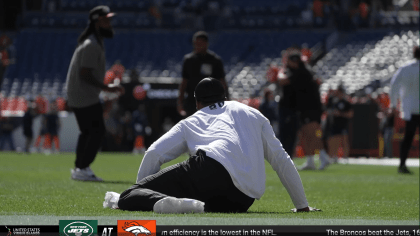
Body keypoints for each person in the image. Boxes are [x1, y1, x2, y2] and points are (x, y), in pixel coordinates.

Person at [103, 78, 320, 214]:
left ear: (197, 103)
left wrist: (144, 193)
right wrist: (302, 206)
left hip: (209, 169)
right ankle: (184, 205)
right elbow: (281, 159)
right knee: (205, 205)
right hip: (241, 200)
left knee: (127, 196)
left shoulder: (191, 120)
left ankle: (162, 203)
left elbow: (154, 153)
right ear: (224, 97)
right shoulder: (252, 113)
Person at [65, 5, 124, 181]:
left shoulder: (93, 41)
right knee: (97, 131)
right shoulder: (91, 44)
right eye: (106, 20)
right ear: (97, 22)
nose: (110, 23)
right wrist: (108, 88)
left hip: (80, 95)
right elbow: (85, 74)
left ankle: (80, 168)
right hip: (84, 96)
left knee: (87, 132)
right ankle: (82, 168)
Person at [278, 51, 330, 170]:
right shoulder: (303, 70)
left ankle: (323, 156)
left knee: (312, 133)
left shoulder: (301, 72)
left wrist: (280, 71)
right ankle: (310, 160)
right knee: (305, 134)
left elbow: (282, 80)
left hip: (310, 107)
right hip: (304, 108)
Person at [177, 31, 228, 117]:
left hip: (211, 102)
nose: (197, 45)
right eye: (195, 43)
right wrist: (180, 102)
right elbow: (184, 82)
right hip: (192, 101)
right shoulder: (189, 60)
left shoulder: (215, 60)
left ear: (206, 43)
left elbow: (222, 82)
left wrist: (226, 101)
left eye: (200, 43)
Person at [389, 46, 420, 174]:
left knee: (408, 137)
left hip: (410, 108)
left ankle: (402, 165)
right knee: (408, 137)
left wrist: (394, 105)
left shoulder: (405, 68)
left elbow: (393, 85)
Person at [327, 85, 353, 163]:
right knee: (334, 140)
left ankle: (345, 157)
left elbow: (350, 114)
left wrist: (340, 114)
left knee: (344, 140)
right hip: (335, 124)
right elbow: (328, 110)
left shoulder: (346, 102)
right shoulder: (334, 102)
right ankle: (334, 156)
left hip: (343, 124)